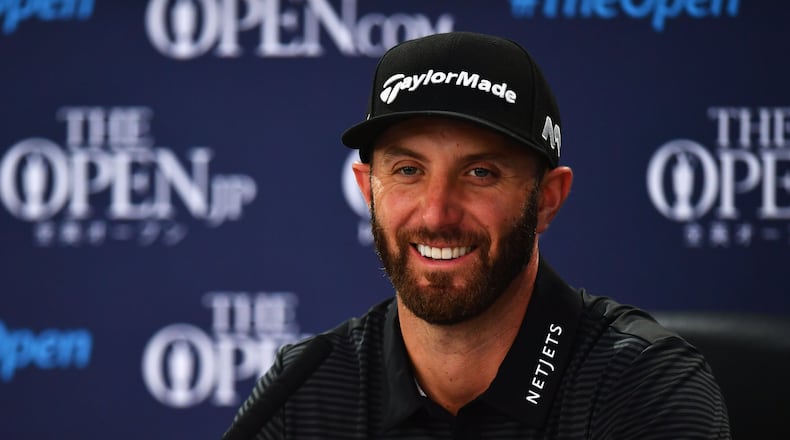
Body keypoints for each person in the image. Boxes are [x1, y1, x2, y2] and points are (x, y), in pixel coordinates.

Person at [223, 31, 730, 439]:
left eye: (481, 172)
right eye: (407, 170)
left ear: (547, 199)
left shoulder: (643, 385)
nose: (438, 213)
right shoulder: (308, 389)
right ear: (367, 189)